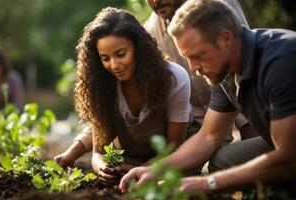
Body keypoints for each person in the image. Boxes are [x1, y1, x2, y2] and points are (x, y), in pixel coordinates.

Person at [54, 0, 257, 168]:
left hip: (207, 129)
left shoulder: (217, 9)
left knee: (222, 168)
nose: (155, 1)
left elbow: (244, 79)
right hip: (179, 138)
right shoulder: (151, 31)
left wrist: (254, 165)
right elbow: (103, 121)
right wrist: (79, 152)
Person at [120, 0, 296, 193]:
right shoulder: (225, 70)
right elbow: (208, 137)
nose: (193, 69)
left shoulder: (282, 61)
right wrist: (153, 170)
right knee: (225, 160)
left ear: (225, 38)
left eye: (198, 56)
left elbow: (289, 158)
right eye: (187, 58)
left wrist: (207, 183)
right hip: (282, 146)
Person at [73, 7, 191, 184]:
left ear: (138, 48)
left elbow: (174, 148)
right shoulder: (102, 85)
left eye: (121, 54)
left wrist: (144, 170)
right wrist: (101, 168)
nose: (114, 65)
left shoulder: (174, 78)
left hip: (168, 163)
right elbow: (98, 151)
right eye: (105, 58)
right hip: (127, 165)